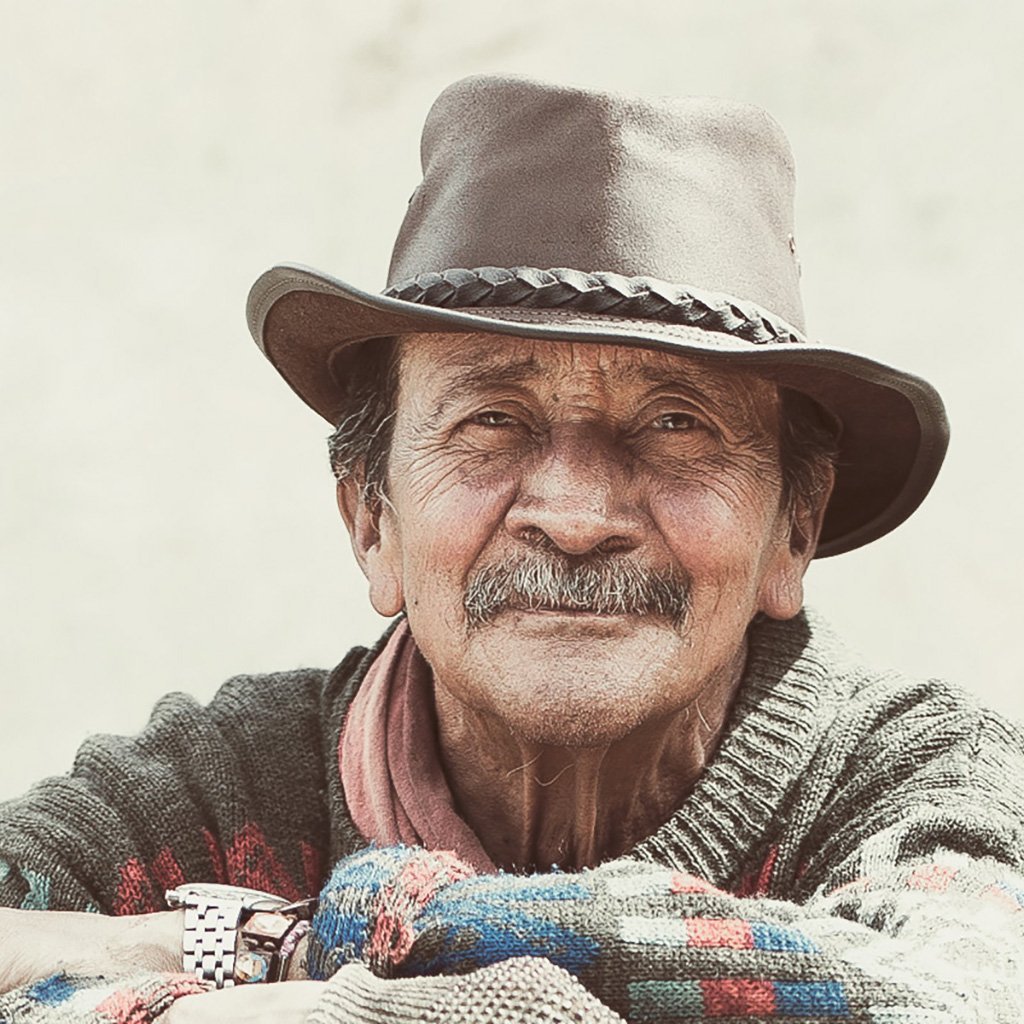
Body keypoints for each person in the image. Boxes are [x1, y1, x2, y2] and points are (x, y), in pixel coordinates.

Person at [0, 73, 1021, 1024]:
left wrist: (306, 947)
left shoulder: (921, 779)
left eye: (674, 424)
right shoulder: (211, 789)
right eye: (492, 419)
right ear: (370, 520)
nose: (575, 515)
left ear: (789, 531)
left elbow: (946, 999)